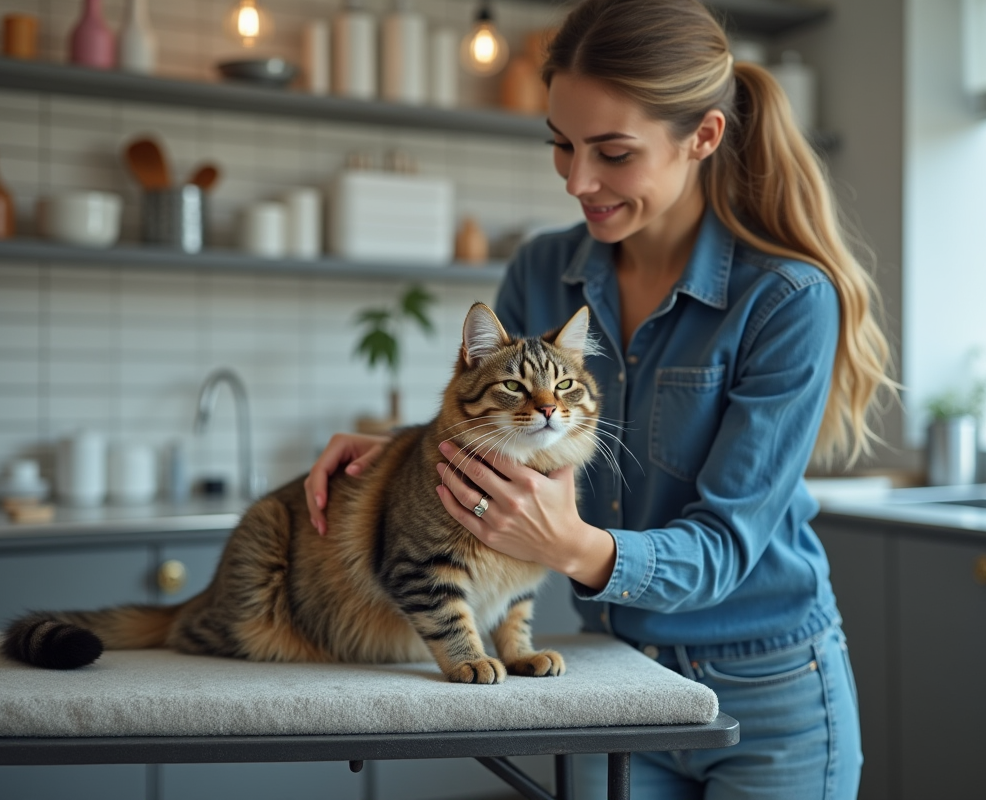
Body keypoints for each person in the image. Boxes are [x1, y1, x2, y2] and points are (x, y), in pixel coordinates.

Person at [305, 0, 894, 796]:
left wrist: (572, 545)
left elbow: (724, 544)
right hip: (608, 677)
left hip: (771, 690)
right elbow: (499, 406)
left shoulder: (787, 297)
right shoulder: (543, 267)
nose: (578, 180)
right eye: (562, 145)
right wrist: (403, 455)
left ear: (704, 137)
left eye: (612, 153)